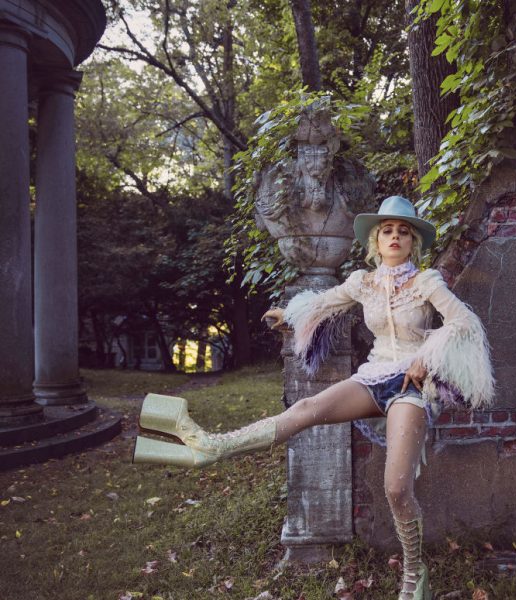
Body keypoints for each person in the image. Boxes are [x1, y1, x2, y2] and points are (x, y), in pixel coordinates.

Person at [133, 195, 495, 600]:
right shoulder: (362, 282)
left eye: (403, 232)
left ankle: (414, 573)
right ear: (376, 241)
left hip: (411, 388)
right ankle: (210, 445)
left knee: (396, 489)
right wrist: (288, 315)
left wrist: (427, 357)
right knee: (306, 408)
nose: (395, 237)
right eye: (387, 231)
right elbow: (322, 304)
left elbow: (464, 322)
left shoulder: (427, 282)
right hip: (373, 376)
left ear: (413, 243)